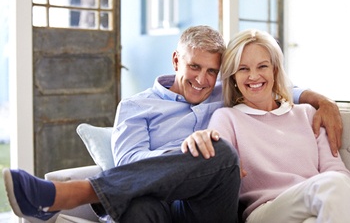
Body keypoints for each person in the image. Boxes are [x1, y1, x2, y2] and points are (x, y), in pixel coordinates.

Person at [2, 25, 343, 223]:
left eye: (212, 71)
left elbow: (275, 89)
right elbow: (131, 165)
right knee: (141, 206)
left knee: (219, 152)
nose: (202, 80)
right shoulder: (136, 107)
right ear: (177, 59)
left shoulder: (227, 92)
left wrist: (321, 100)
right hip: (156, 201)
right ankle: (81, 193)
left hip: (208, 208)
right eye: (195, 67)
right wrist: (185, 150)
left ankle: (81, 192)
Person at [182, 29, 350, 223]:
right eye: (243, 69)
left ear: (274, 70)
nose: (254, 76)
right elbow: (217, 163)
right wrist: (199, 139)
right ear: (233, 77)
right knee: (332, 185)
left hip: (316, 202)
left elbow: (337, 171)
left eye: (262, 66)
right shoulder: (227, 118)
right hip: (265, 212)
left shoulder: (307, 114)